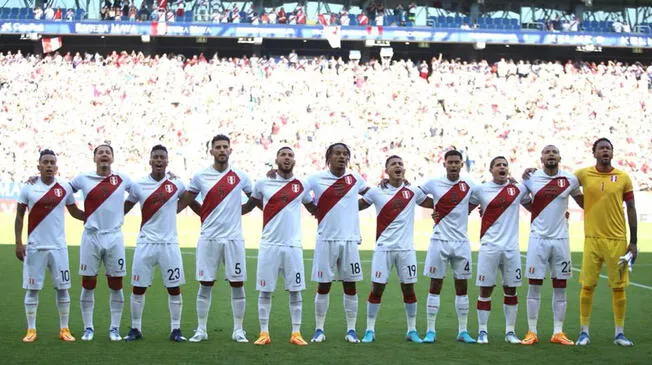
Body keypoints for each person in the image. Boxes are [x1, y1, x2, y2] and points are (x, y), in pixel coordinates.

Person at [178, 134, 253, 343]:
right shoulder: (201, 176)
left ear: (230, 151)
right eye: (218, 147)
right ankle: (201, 329)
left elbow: (254, 199)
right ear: (211, 151)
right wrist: (203, 213)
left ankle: (239, 330)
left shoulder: (240, 176)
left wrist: (239, 212)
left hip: (233, 239)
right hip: (209, 237)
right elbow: (187, 200)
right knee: (205, 283)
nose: (221, 150)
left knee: (237, 284)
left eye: (225, 147)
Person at [122, 145, 199, 342]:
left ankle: (176, 330)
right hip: (145, 243)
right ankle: (135, 328)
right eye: (155, 157)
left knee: (174, 288)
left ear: (167, 161)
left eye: (162, 157)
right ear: (150, 160)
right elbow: (124, 207)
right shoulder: (139, 185)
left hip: (169, 244)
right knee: (138, 287)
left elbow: (190, 199)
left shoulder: (177, 184)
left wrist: (199, 213)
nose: (158, 160)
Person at [242, 147, 314, 346]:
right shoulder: (263, 183)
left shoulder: (302, 185)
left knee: (295, 290)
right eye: (283, 155)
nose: (287, 158)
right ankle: (264, 333)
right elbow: (249, 206)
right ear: (276, 159)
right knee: (265, 291)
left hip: (293, 246)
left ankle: (296, 333)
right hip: (269, 245)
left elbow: (313, 207)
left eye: (290, 155)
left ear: (295, 160)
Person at [358, 155, 433, 343]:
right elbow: (356, 205)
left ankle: (412, 330)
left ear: (404, 169)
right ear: (387, 170)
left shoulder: (413, 191)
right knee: (377, 289)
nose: (398, 166)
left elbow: (433, 203)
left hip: (406, 250)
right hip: (383, 249)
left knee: (409, 289)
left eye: (400, 163)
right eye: (393, 164)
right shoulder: (376, 192)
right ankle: (369, 330)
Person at [15, 149, 84, 342]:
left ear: (56, 167)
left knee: (63, 289)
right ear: (39, 166)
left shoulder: (64, 187)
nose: (49, 166)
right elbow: (19, 216)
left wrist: (94, 216)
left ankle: (64, 329)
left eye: (52, 163)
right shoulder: (28, 187)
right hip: (35, 248)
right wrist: (18, 242)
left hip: (58, 248)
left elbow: (75, 212)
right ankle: (31, 330)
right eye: (45, 162)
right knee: (32, 289)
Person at [574, 138, 637, 346]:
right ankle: (584, 332)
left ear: (612, 153)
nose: (605, 151)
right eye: (601, 148)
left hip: (617, 240)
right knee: (588, 285)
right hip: (592, 239)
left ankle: (619, 333)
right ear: (594, 153)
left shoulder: (623, 177)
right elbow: (562, 183)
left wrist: (633, 242)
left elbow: (631, 208)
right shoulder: (583, 174)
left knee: (618, 287)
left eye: (608, 148)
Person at [70, 144, 133, 341]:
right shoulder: (83, 178)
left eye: (108, 152)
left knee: (116, 284)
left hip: (114, 236)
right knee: (88, 283)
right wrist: (81, 215)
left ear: (112, 158)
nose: (104, 155)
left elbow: (143, 191)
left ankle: (114, 328)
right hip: (91, 236)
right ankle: (88, 328)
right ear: (94, 158)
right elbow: (61, 191)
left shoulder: (123, 179)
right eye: (100, 152)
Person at [520, 145, 582, 346]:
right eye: (547, 152)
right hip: (538, 239)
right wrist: (537, 212)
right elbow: (521, 198)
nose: (551, 155)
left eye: (554, 152)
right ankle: (531, 331)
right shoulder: (531, 178)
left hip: (561, 240)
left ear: (560, 157)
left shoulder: (570, 180)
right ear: (541, 158)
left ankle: (558, 332)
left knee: (560, 286)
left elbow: (582, 201)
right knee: (534, 284)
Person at [308, 143, 369, 343]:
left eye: (345, 154)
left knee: (350, 286)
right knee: (323, 285)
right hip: (326, 239)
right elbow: (297, 192)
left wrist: (353, 207)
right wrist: (314, 209)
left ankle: (351, 330)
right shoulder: (316, 179)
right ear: (329, 157)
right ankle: (319, 329)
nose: (341, 157)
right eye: (337, 153)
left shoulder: (355, 179)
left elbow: (371, 196)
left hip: (350, 240)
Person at [469, 156, 530, 344]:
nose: (502, 167)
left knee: (511, 289)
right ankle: (482, 331)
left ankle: (510, 332)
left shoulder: (518, 189)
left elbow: (536, 205)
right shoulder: (480, 190)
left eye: (505, 165)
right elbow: (463, 209)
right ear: (491, 170)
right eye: (498, 165)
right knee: (485, 289)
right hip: (489, 246)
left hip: (512, 248)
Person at [418, 150, 478, 344]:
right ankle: (430, 331)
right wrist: (435, 207)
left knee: (462, 285)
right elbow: (415, 196)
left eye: (456, 162)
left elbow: (482, 198)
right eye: (450, 162)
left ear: (462, 164)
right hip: (439, 241)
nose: (453, 165)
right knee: (435, 285)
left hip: (461, 243)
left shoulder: (470, 184)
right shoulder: (434, 183)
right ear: (444, 164)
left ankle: (463, 331)